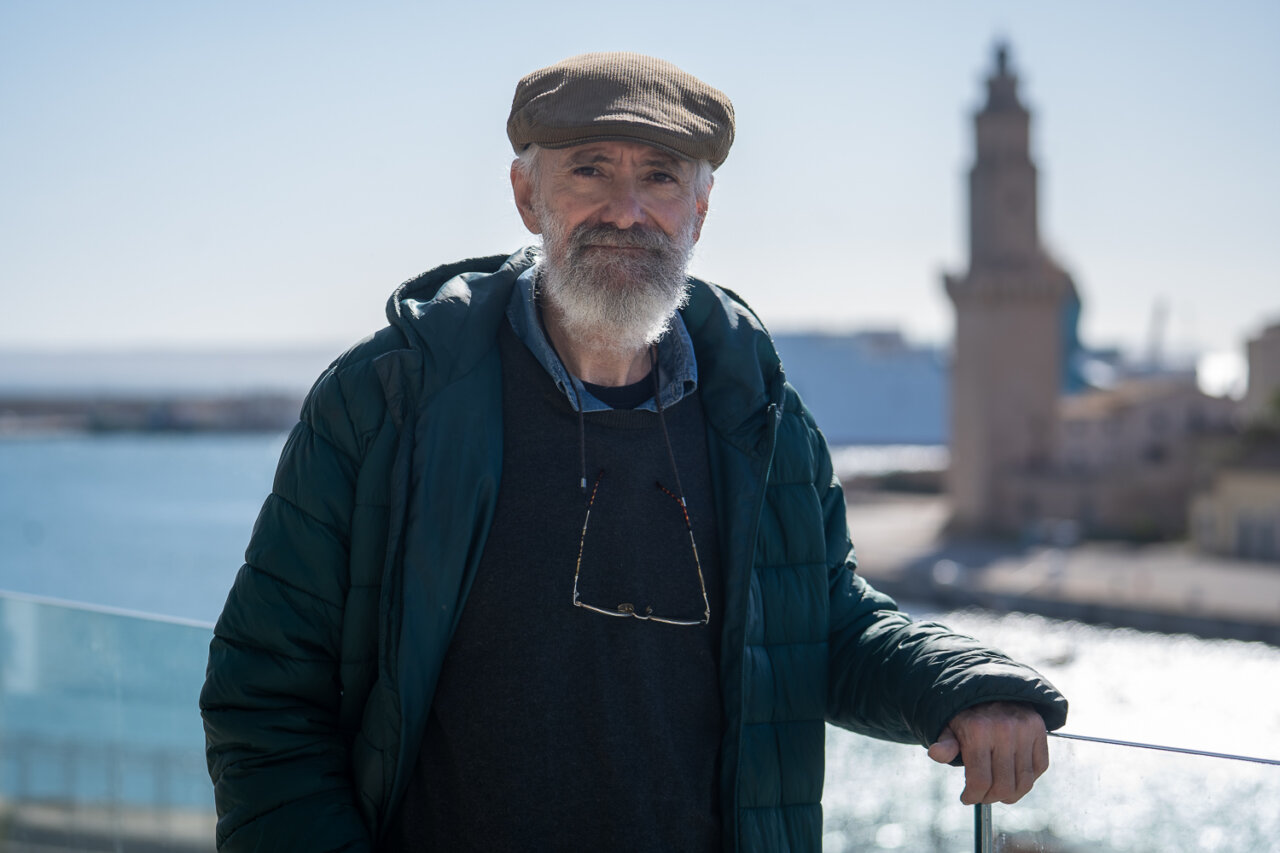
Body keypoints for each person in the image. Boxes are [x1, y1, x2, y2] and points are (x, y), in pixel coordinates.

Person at [200, 52, 1067, 852]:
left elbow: (824, 619)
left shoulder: (760, 415)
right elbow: (266, 695)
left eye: (660, 176)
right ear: (527, 196)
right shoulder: (388, 400)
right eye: (590, 170)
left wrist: (969, 682)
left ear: (700, 211)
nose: (627, 210)